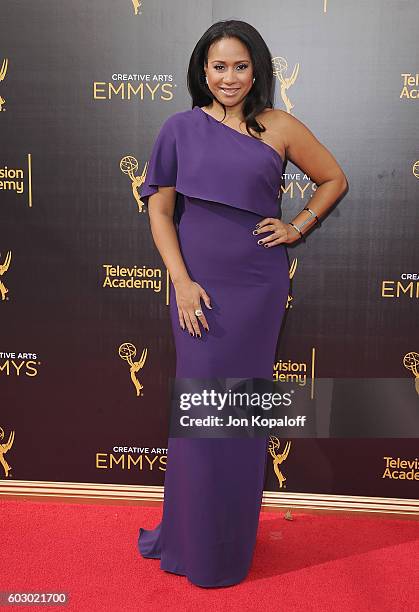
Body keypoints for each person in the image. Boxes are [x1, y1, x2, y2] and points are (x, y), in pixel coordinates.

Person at [137, 19, 347, 588]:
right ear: (202, 70)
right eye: (218, 66)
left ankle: (226, 545)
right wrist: (180, 282)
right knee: (201, 414)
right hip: (197, 289)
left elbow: (333, 178)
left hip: (257, 288)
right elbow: (159, 211)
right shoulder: (178, 128)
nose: (229, 77)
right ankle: (188, 539)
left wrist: (299, 227)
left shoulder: (277, 126)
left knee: (236, 420)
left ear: (257, 70)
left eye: (240, 66)